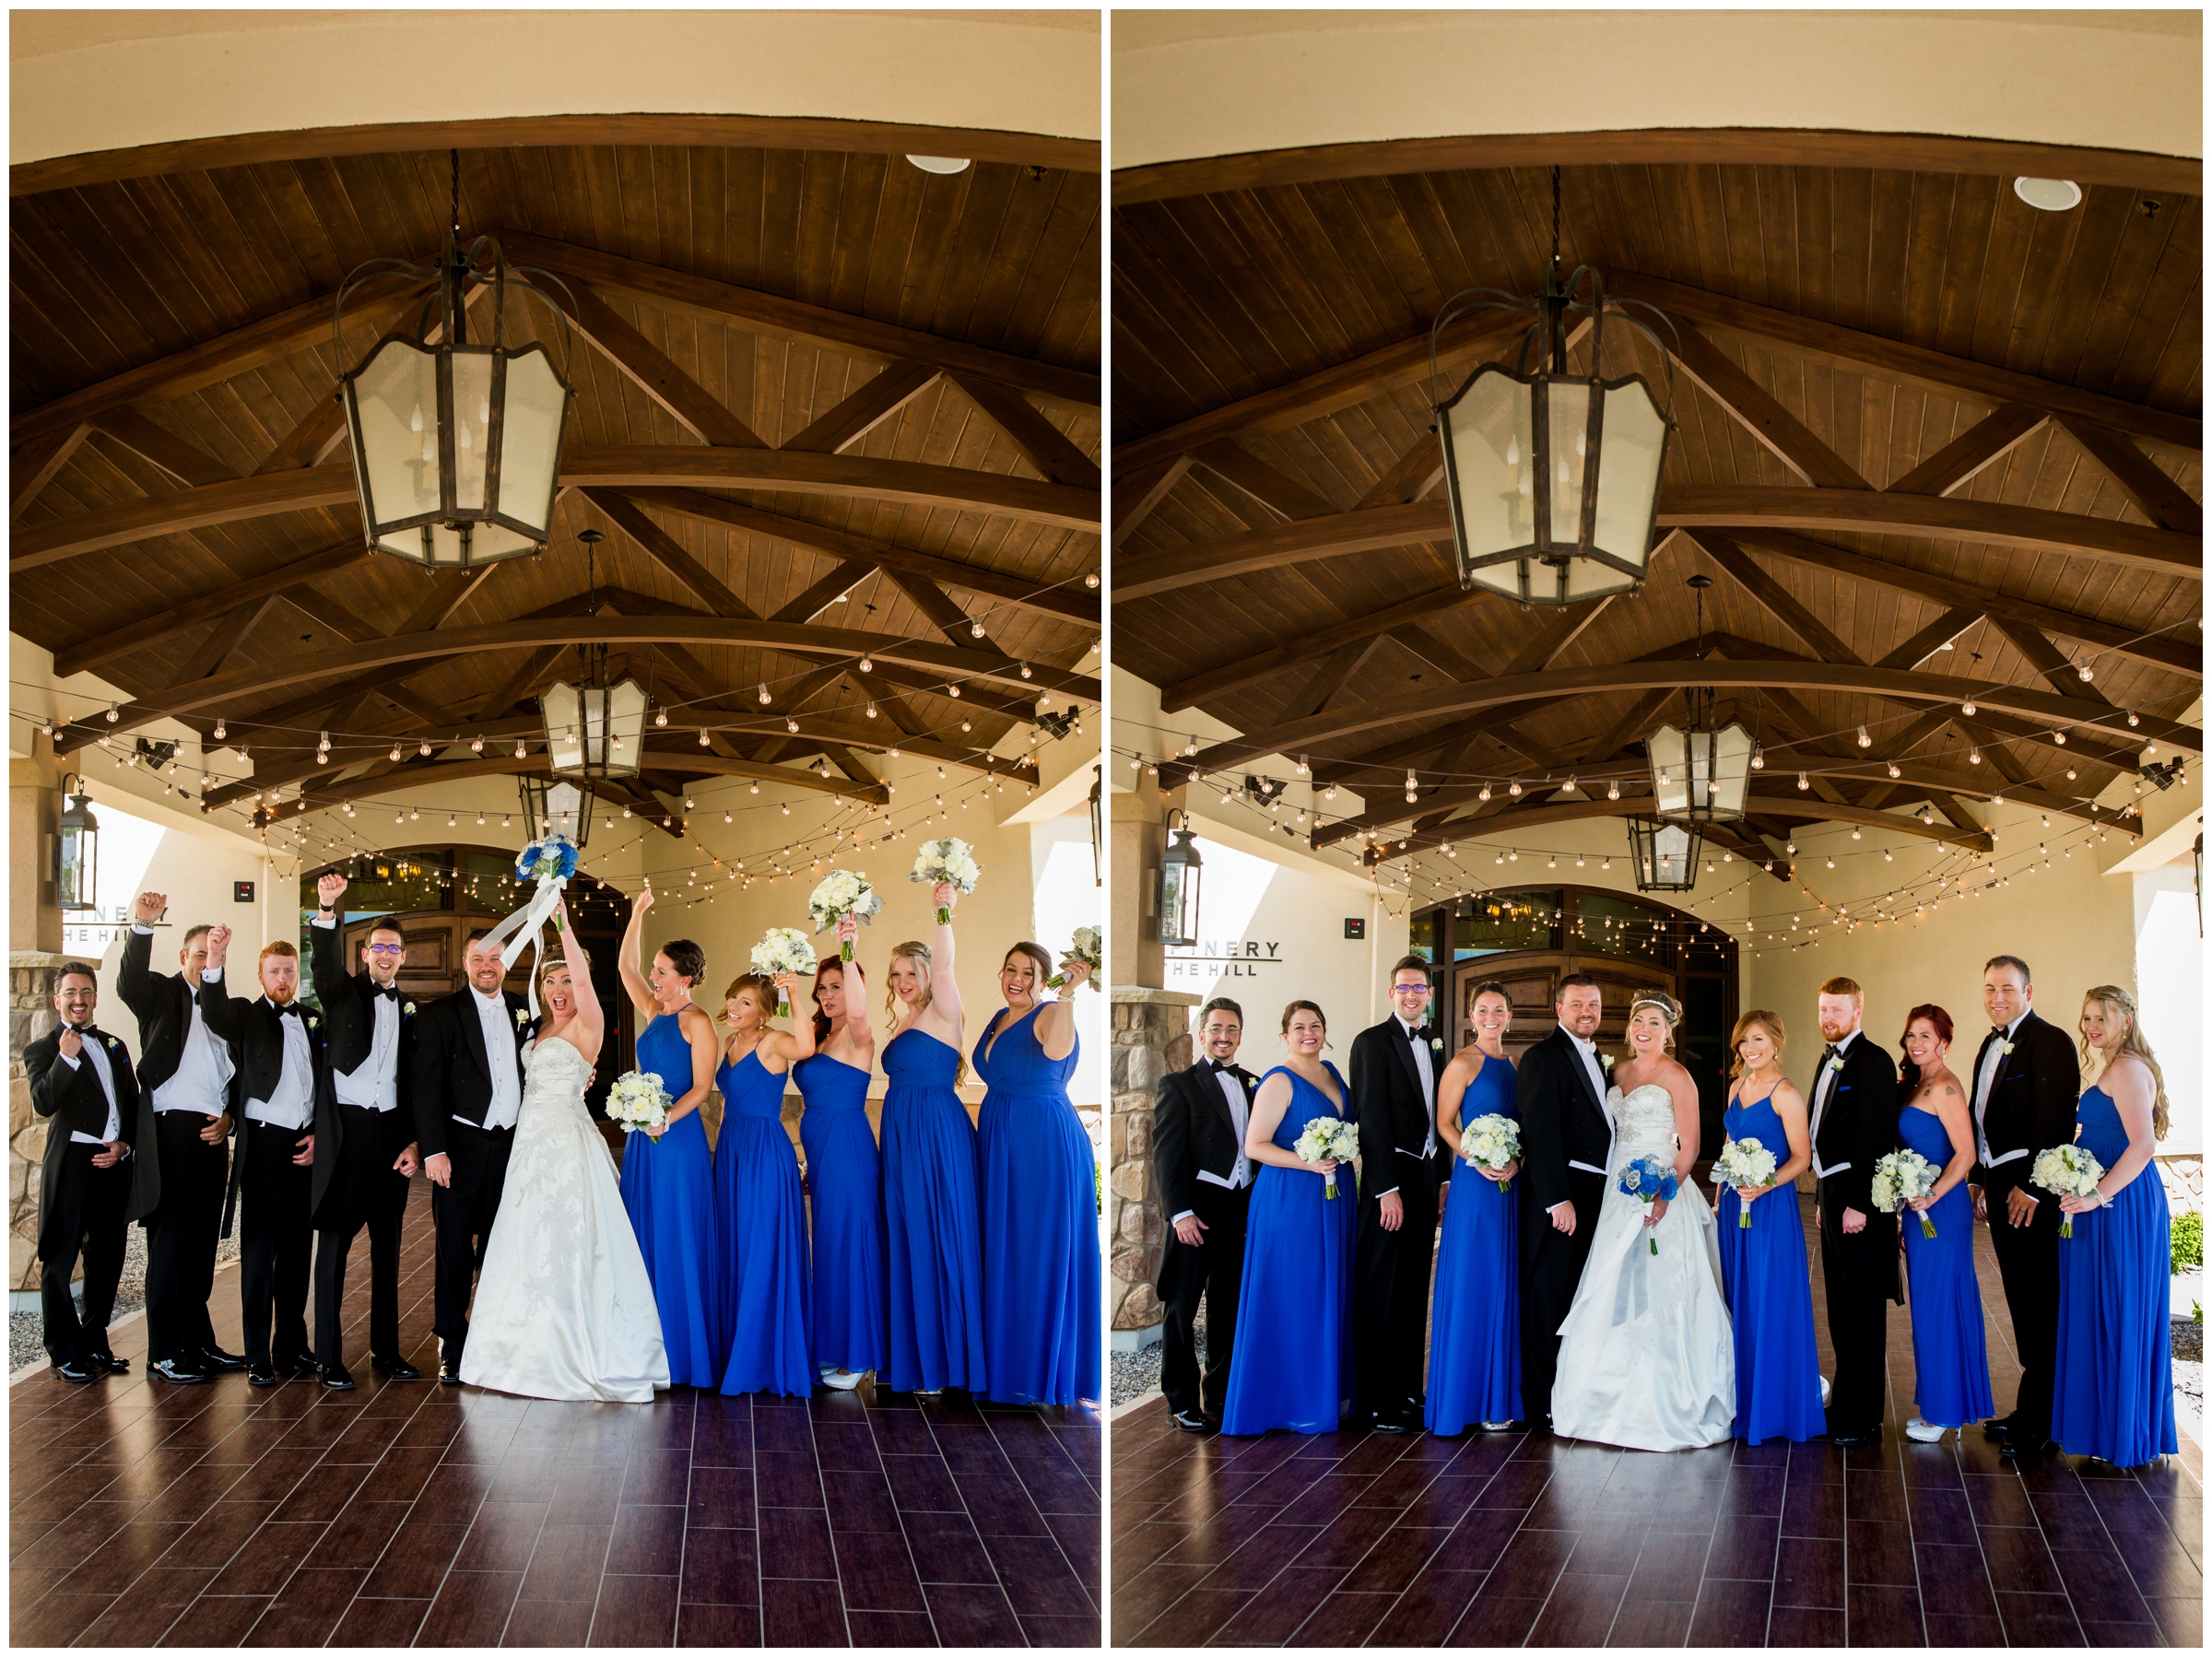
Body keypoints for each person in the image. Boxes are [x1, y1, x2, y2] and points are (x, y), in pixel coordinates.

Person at [460, 926, 670, 1401]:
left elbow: (584, 982)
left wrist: (566, 926)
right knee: (522, 1239)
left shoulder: (587, 1022)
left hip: (567, 1145)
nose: (559, 991)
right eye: (551, 983)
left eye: (568, 983)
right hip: (528, 1147)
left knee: (570, 1240)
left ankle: (573, 1348)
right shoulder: (540, 1028)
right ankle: (513, 1347)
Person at [1550, 992, 1735, 1451]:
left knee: (1661, 1289)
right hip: (1617, 1191)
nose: (1644, 1028)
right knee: (1610, 1280)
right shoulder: (1617, 1072)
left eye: (1654, 1022)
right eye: (1638, 1021)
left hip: (1663, 1191)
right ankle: (1599, 1395)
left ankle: (1665, 1398)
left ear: (1668, 1032)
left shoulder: (1679, 1076)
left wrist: (1664, 1191)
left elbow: (1690, 1144)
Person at [117, 893, 240, 1383]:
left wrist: (230, 1117)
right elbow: (127, 983)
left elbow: (234, 1074)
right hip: (169, 1131)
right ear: (183, 958)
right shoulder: (160, 995)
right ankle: (163, 1351)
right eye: (198, 955)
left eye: (213, 958)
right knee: (169, 1247)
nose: (205, 963)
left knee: (202, 1246)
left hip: (213, 1134)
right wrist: (143, 925)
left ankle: (199, 1343)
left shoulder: (225, 1007)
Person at [2053, 986, 2177, 1468]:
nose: (2090, 1027)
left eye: (2099, 1017)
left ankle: (2122, 1433)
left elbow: (2143, 1147)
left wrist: (2096, 1195)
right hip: (2104, 1201)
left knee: (2118, 1310)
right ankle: (2111, 1428)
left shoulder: (2126, 1068)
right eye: (2085, 1018)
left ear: (2126, 1019)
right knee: (2103, 1310)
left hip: (2118, 1206)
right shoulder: (2116, 1065)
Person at [1220, 1000, 1358, 1436]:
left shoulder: (1333, 1073)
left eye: (1315, 1025)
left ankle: (1324, 1395)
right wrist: (1310, 1161)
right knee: (1294, 1293)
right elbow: (1255, 1146)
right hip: (1292, 1200)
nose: (1308, 1033)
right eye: (1298, 1027)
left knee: (1327, 1292)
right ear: (1285, 1036)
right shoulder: (1278, 1081)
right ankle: (1285, 1401)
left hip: (1335, 1195)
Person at [307, 873, 422, 1387]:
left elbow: (420, 1083)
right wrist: (328, 909)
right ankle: (328, 1357)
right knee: (333, 1249)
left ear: (403, 957)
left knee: (388, 1248)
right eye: (377, 946)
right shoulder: (341, 992)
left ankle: (385, 1350)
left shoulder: (414, 1010)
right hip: (345, 1138)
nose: (385, 955)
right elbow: (325, 964)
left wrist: (415, 1141)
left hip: (391, 1141)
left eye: (393, 949)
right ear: (366, 953)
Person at [198, 931, 327, 1389]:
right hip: (264, 1147)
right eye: (275, 971)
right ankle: (257, 1354)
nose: (283, 978)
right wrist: (215, 956)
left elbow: (322, 1090)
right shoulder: (244, 1016)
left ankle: (292, 1344)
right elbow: (212, 1008)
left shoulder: (312, 1019)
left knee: (296, 1251)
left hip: (303, 1146)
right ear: (261, 975)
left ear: (298, 975)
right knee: (258, 1253)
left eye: (290, 971)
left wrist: (318, 1137)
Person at [1968, 954, 2082, 1463]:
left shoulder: (2051, 1042)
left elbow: (2054, 1123)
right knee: (2020, 1302)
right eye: (1990, 988)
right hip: (1997, 1186)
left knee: (2041, 1305)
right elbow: (1981, 1120)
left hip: (2030, 1196)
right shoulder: (1988, 1045)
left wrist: (2033, 1189)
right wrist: (1977, 1180)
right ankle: (2028, 1409)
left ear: (2029, 993)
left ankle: (2044, 1423)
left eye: (2008, 989)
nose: (1997, 997)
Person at [976, 940, 1098, 1406]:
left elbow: (1057, 1050)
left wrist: (1069, 992)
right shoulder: (998, 1017)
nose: (1017, 979)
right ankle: (1004, 1362)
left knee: (1037, 1247)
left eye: (1028, 973)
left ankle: (1039, 1369)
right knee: (1005, 1246)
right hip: (999, 1134)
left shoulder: (1049, 1012)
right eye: (1011, 969)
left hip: (1040, 1141)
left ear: (1042, 978)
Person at [411, 928, 535, 1383]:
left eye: (496, 958)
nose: (488, 966)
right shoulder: (441, 1014)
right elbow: (424, 1087)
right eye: (479, 958)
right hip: (459, 1150)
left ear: (506, 963)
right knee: (454, 1252)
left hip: (513, 1150)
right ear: (465, 964)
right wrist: (434, 1150)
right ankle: (452, 1342)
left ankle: (501, 1336)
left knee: (505, 1248)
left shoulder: (526, 1009)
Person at [879, 887, 987, 1395]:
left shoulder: (944, 1006)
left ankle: (949, 1363)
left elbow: (945, 968)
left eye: (911, 973)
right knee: (908, 1234)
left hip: (936, 1134)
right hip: (902, 1135)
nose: (903, 983)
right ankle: (918, 1359)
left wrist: (943, 909)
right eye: (896, 974)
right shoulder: (902, 1020)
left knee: (940, 1234)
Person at [24, 963, 151, 1381]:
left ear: (96, 997)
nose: (78, 999)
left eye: (86, 991)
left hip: (112, 1164)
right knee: (59, 1259)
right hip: (73, 1166)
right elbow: (43, 1102)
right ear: (57, 999)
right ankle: (63, 1351)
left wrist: (125, 1146)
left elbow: (131, 1104)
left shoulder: (114, 1045)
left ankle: (95, 1342)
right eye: (70, 993)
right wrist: (67, 1058)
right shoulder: (43, 1049)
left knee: (109, 1257)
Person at [616, 891, 720, 1388]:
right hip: (643, 1142)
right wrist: (637, 915)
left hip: (677, 1142)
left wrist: (664, 1121)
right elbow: (624, 965)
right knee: (641, 1232)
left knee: (676, 1234)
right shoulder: (653, 1010)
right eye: (654, 970)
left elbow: (702, 1087)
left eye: (661, 971)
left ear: (686, 978)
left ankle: (681, 1351)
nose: (653, 978)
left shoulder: (697, 1021)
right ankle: (643, 1346)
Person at [1713, 1011, 1824, 1445]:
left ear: (1776, 1043)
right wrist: (1722, 1189)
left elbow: (1803, 1157)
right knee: (1739, 1297)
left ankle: (1774, 1408)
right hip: (1733, 1207)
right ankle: (1742, 1400)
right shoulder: (1736, 1086)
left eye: (1757, 1040)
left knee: (1769, 1299)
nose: (1749, 1049)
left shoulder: (1787, 1093)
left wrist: (1764, 1184)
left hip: (1769, 1208)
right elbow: (1728, 1143)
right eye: (1743, 1042)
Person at [1350, 956, 1446, 1433]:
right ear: (1392, 994)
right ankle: (1374, 1400)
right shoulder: (1371, 1043)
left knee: (1412, 1291)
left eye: (1419, 988)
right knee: (1380, 1292)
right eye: (1403, 987)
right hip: (1390, 1184)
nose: (1411, 995)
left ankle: (1409, 1389)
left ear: (1429, 993)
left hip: (1426, 1180)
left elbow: (1441, 1115)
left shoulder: (1434, 1044)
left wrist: (1443, 1179)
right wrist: (1385, 1189)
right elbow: (1371, 1118)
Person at [1154, 997, 1256, 1431]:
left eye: (1232, 1029)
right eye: (1216, 1028)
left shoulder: (1254, 1083)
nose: (1224, 1036)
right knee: (1181, 1308)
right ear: (1202, 1033)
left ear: (1240, 1035)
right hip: (1196, 1214)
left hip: (1241, 1211)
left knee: (1228, 1308)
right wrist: (1180, 1214)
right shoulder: (1178, 1085)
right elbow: (1166, 1157)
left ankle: (1219, 1396)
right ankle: (1180, 1399)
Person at [713, 964, 817, 1397]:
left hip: (764, 1151)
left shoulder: (773, 1041)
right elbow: (725, 1103)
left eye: (746, 1002)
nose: (735, 1007)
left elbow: (808, 1046)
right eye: (734, 999)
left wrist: (793, 992)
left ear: (763, 1011)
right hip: (732, 1149)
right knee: (736, 1246)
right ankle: (739, 1346)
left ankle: (762, 1358)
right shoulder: (729, 1040)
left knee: (762, 1246)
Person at [1807, 975, 1902, 1447]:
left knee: (1862, 1312)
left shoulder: (1874, 1061)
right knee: (1842, 1310)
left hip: (1859, 1206)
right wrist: (1826, 1200)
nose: (1828, 1018)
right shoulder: (1828, 1060)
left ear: (1857, 1012)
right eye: (1824, 1009)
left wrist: (1858, 1205)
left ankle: (1863, 1418)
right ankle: (1845, 1404)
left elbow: (1877, 1139)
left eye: (1838, 1011)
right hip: (1834, 1200)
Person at [1516, 973, 1613, 1428]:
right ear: (1559, 1009)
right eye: (1576, 1005)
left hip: (1599, 1194)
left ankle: (1571, 1387)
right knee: (1548, 1298)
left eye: (1592, 1004)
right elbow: (1541, 1133)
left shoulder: (1603, 1061)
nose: (1586, 1012)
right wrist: (1557, 1200)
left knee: (1580, 1295)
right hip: (1563, 1198)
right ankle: (1539, 1400)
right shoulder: (1542, 1058)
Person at [1426, 982, 1522, 1436]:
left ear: (1509, 1016)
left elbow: (1524, 1126)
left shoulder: (1515, 1066)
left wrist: (1516, 1160)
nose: (1490, 1017)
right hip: (1475, 1181)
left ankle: (1498, 1397)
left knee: (1505, 1281)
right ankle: (1463, 1398)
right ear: (1471, 1015)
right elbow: (1444, 1124)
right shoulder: (1462, 1063)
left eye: (1498, 1010)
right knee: (1473, 1279)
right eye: (1482, 1010)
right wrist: (1476, 1158)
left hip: (1510, 1183)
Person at [1894, 1005, 1994, 1445]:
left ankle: (1944, 1412)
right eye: (1911, 1035)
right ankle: (1942, 1406)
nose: (1916, 1043)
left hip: (1941, 1209)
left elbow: (1966, 1154)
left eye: (1925, 1037)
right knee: (1928, 1304)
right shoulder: (1920, 1084)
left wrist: (1932, 1196)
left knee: (1940, 1304)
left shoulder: (1946, 1086)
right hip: (1920, 1210)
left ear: (1944, 1043)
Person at [795, 934, 886, 1391]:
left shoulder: (856, 1032)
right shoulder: (818, 1035)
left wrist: (849, 946)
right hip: (822, 1151)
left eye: (838, 987)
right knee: (829, 1246)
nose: (829, 996)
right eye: (824, 989)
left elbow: (857, 1010)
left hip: (848, 1148)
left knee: (852, 1246)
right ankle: (834, 1347)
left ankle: (861, 1354)